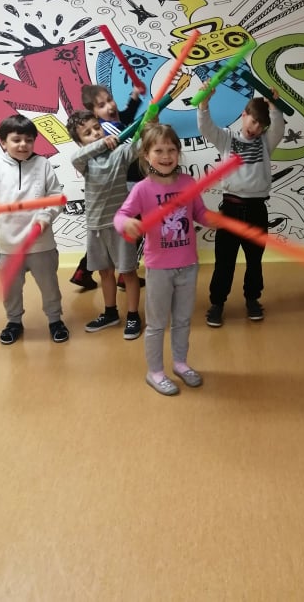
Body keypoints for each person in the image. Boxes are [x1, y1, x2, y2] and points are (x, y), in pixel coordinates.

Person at [114, 123, 211, 396]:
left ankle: (180, 363)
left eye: (171, 150)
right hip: (158, 268)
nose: (166, 156)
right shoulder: (142, 189)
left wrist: (212, 219)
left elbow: (199, 213)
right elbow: (121, 216)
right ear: (146, 155)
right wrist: (127, 224)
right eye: (159, 150)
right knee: (157, 324)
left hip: (188, 264)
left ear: (178, 152)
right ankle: (155, 372)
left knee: (183, 320)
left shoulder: (188, 183)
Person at [0, 115, 69, 345]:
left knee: (50, 287)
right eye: (16, 140)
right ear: (3, 142)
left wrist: (45, 217)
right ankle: (14, 322)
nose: (23, 144)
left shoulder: (43, 165)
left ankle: (55, 320)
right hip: (9, 247)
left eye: (29, 140)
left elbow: (55, 197)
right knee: (11, 290)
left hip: (41, 245)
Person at [197, 90, 285, 327]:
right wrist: (204, 104)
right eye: (253, 121)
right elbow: (206, 128)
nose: (255, 128)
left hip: (256, 210)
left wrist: (273, 106)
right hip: (230, 210)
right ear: (244, 115)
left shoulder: (265, 143)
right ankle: (217, 303)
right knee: (224, 262)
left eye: (261, 125)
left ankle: (252, 299)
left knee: (254, 261)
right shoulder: (227, 139)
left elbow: (278, 129)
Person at [67, 110, 142, 339]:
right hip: (96, 227)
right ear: (80, 141)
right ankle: (110, 313)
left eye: (97, 128)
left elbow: (140, 146)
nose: (95, 134)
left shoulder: (120, 153)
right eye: (87, 133)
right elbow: (75, 158)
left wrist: (149, 124)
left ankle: (133, 315)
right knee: (105, 272)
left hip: (120, 226)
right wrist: (102, 143)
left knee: (128, 272)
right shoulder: (85, 161)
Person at [69, 84, 142, 292]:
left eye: (109, 100)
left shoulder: (112, 124)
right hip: (125, 184)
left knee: (116, 235)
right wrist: (146, 120)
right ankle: (124, 273)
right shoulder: (107, 131)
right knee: (131, 229)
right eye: (101, 105)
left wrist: (134, 97)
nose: (109, 107)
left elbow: (126, 117)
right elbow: (129, 128)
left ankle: (84, 271)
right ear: (93, 113)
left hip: (128, 184)